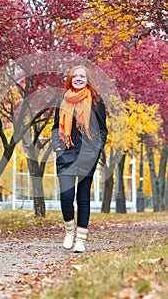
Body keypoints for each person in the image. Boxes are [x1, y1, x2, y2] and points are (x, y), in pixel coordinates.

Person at [51, 65, 108, 252]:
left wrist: (97, 149)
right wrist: (58, 147)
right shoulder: (62, 100)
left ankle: (81, 240)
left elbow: (102, 130)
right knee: (66, 197)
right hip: (65, 154)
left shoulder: (97, 102)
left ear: (87, 79)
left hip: (87, 155)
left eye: (81, 76)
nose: (78, 78)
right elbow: (54, 128)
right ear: (70, 79)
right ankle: (69, 232)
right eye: (74, 76)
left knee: (83, 197)